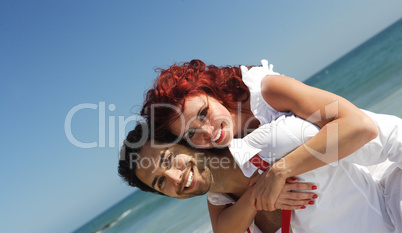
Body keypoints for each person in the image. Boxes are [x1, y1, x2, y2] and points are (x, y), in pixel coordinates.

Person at [118, 117, 401, 233]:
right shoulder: (231, 216)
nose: (174, 178)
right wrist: (256, 199)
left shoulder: (280, 142)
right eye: (159, 183)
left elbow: (390, 138)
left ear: (186, 141)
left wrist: (279, 171)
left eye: (168, 160)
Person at [141, 59, 378, 212]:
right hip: (357, 185)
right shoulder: (212, 147)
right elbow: (222, 232)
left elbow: (358, 126)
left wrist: (279, 171)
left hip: (384, 154)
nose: (207, 131)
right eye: (191, 133)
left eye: (203, 113)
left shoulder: (266, 91)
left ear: (211, 91)